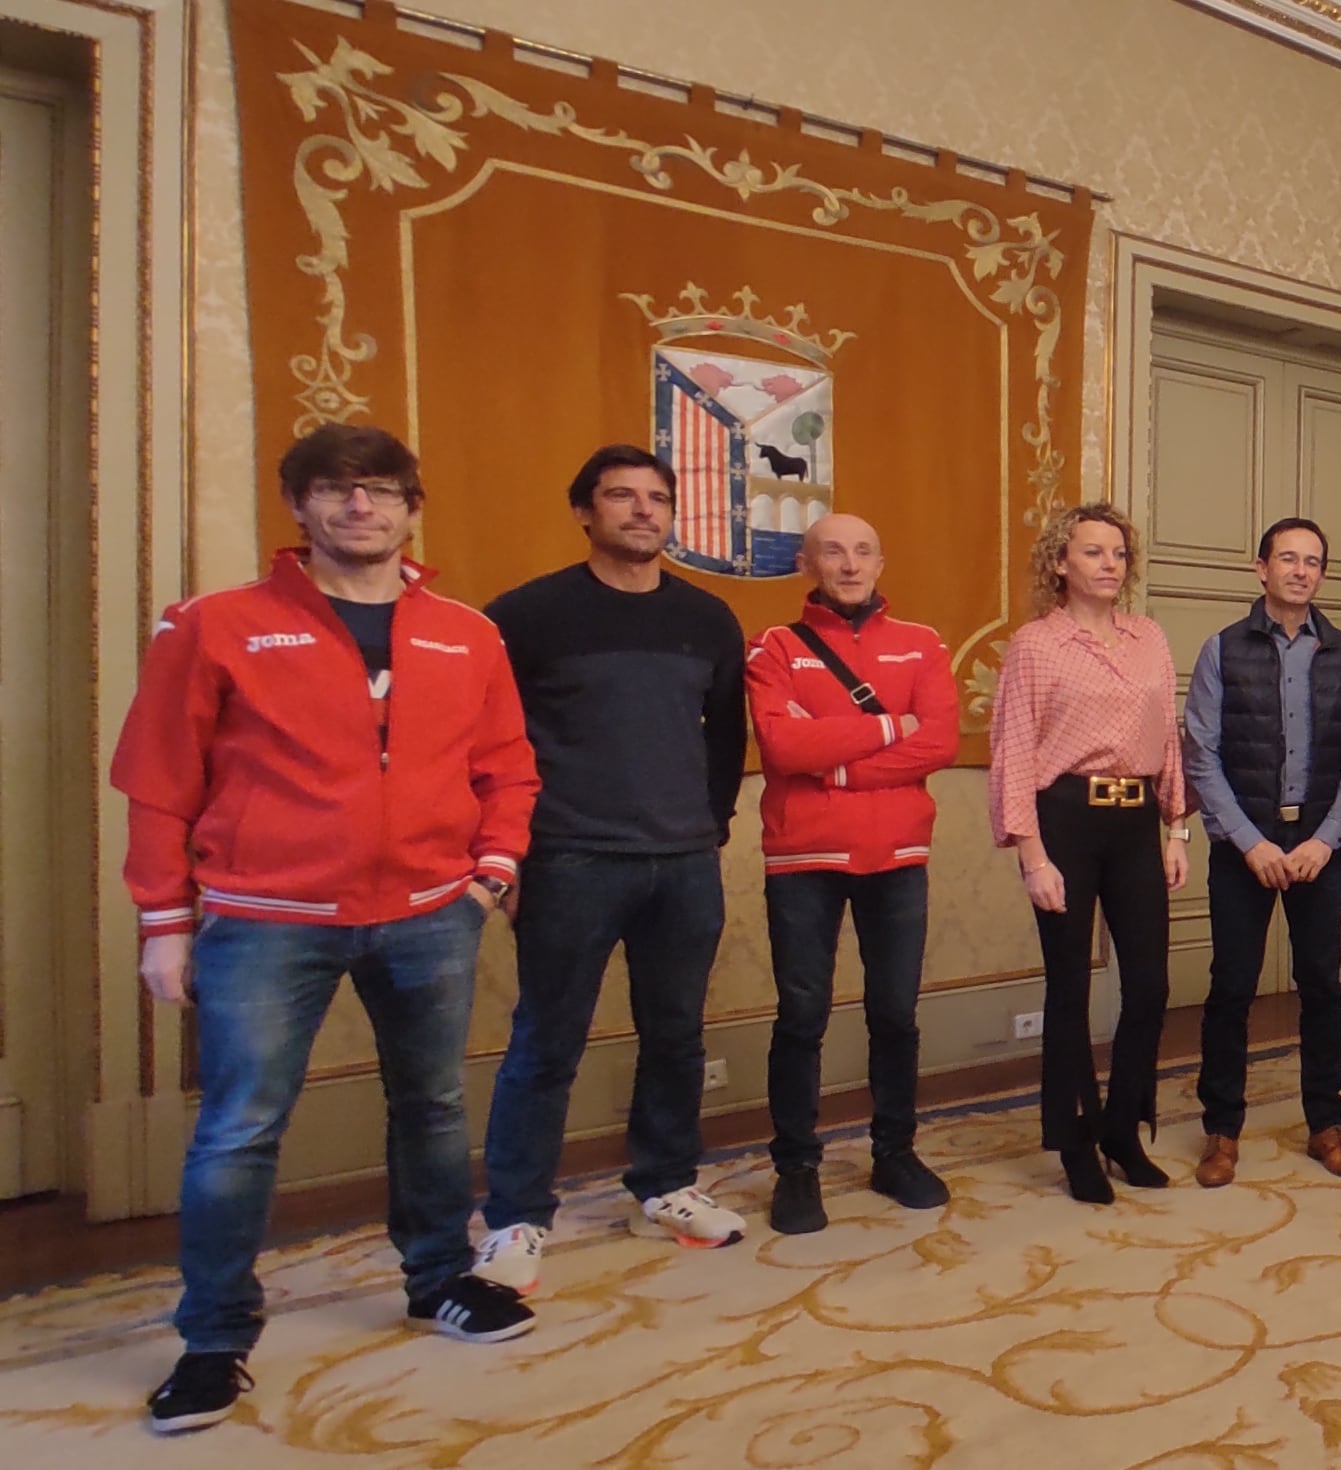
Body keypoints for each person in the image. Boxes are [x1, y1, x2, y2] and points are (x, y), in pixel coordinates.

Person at [113, 425, 541, 1432]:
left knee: (431, 1108)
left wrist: (491, 872)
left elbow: (507, 763)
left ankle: (439, 1278)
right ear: (299, 507)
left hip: (431, 916)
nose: (361, 508)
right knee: (239, 1129)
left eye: (382, 491)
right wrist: (163, 923)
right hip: (267, 920)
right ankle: (214, 1340)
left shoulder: (466, 631)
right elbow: (157, 777)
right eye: (337, 491)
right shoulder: (212, 625)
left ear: (409, 508)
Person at [475, 445, 752, 1294]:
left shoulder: (708, 618)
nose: (642, 511)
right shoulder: (526, 616)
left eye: (657, 498)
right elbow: (486, 742)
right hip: (570, 857)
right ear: (585, 511)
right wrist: (508, 853)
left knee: (676, 1034)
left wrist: (709, 828)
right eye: (621, 497)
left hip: (681, 861)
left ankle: (665, 1185)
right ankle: (517, 1215)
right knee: (546, 1040)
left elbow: (726, 737)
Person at [744, 514, 959, 1235]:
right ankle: (797, 1168)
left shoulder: (922, 644)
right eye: (833, 550)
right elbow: (780, 743)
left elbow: (939, 741)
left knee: (895, 1012)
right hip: (802, 857)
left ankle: (894, 1152)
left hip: (898, 855)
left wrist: (830, 760)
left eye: (864, 550)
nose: (849, 563)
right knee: (802, 1016)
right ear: (807, 562)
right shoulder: (774, 647)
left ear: (881, 562)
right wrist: (887, 726)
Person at [990, 504, 1191, 1205]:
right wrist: (1032, 855)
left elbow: (1168, 735)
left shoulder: (1150, 640)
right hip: (1065, 819)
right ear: (1060, 563)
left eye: (1119, 553)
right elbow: (1013, 749)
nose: (1110, 564)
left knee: (1150, 986)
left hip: (1137, 818)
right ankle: (1074, 1141)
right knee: (1069, 988)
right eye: (1093, 552)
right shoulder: (1036, 645)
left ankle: (1122, 1130)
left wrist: (1177, 828)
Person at [1180, 518, 1341, 1186]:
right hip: (1246, 844)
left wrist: (1326, 839)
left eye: (1313, 562)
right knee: (1231, 988)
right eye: (1287, 559)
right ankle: (1221, 1130)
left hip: (1319, 845)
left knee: (1322, 985)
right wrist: (1249, 841)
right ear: (1260, 567)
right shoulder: (1221, 650)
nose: (1300, 571)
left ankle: (1327, 1122)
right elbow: (1200, 756)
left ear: (1322, 574)